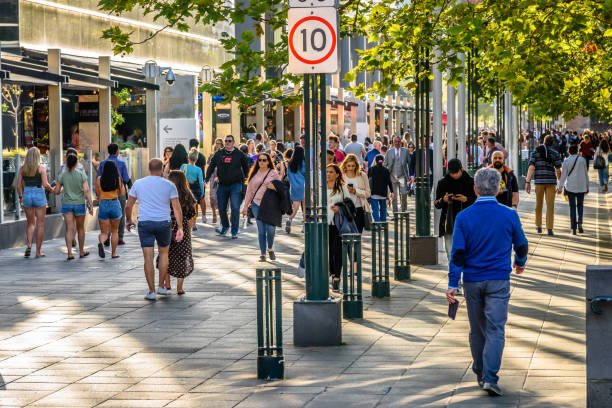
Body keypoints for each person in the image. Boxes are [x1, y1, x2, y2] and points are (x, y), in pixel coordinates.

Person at [446, 168, 528, 397]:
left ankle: (480, 371)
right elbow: (521, 245)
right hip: (498, 279)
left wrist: (453, 283)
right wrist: (519, 262)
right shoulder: (509, 215)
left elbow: (458, 254)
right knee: (496, 329)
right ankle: (490, 377)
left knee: (477, 329)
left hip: (472, 280)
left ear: (474, 189)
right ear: (499, 188)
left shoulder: (464, 217)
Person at [126, 159, 183, 300]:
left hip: (145, 223)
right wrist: (180, 226)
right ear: (162, 168)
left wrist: (129, 220)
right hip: (164, 223)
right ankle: (161, 286)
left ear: (148, 168)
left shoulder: (138, 183)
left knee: (148, 258)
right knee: (164, 254)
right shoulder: (169, 185)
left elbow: (129, 205)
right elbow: (176, 207)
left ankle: (151, 291)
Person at [205, 135, 251, 239]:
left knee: (235, 207)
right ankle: (225, 226)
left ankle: (234, 230)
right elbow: (211, 166)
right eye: (226, 141)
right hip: (222, 185)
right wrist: (206, 179)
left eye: (229, 141)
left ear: (233, 142)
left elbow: (246, 168)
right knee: (221, 208)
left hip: (236, 185)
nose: (227, 143)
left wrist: (248, 180)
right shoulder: (219, 154)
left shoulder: (239, 154)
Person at [434, 159, 476, 261]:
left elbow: (478, 202)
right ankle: (454, 274)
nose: (453, 175)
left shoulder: (471, 182)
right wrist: (443, 200)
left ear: (461, 169)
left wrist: (466, 199)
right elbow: (436, 204)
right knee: (451, 253)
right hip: (449, 222)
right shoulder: (442, 183)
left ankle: (465, 273)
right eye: (451, 173)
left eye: (456, 172)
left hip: (468, 222)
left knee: (468, 252)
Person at [243, 152, 281, 261]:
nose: (262, 162)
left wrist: (274, 187)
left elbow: (281, 188)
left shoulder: (273, 173)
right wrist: (245, 206)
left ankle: (270, 248)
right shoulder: (254, 173)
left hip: (271, 205)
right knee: (261, 230)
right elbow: (249, 191)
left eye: (264, 160)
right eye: (260, 160)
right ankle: (263, 254)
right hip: (256, 204)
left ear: (269, 161)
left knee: (270, 229)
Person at [54, 153, 94, 260]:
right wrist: (91, 204)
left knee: (69, 229)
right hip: (79, 204)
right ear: (77, 163)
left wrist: (63, 188)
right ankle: (81, 251)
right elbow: (86, 190)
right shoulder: (81, 175)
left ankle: (69, 254)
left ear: (66, 163)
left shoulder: (62, 175)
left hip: (67, 204)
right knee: (80, 228)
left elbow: (57, 191)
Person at [164, 170, 197, 294]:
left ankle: (167, 284)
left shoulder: (165, 194)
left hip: (167, 226)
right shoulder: (187, 194)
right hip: (182, 228)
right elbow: (191, 215)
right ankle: (179, 287)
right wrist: (188, 229)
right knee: (183, 255)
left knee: (166, 255)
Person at [17, 147, 53, 258]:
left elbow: (18, 186)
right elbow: (45, 184)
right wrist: (52, 189)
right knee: (40, 224)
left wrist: (21, 197)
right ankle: (38, 252)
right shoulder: (41, 168)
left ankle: (29, 245)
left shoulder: (23, 169)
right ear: (37, 157)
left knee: (30, 223)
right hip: (39, 194)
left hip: (27, 193)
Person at [525, 135, 562, 235]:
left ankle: (539, 226)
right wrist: (560, 184)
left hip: (539, 181)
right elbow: (558, 170)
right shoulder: (555, 153)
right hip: (551, 182)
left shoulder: (536, 152)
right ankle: (549, 228)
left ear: (544, 141)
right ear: (552, 143)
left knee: (538, 204)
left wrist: (527, 182)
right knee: (550, 205)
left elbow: (531, 167)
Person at [327, 164, 354, 292]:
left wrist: (339, 208)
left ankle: (337, 277)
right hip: (324, 223)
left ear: (337, 174)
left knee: (336, 250)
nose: (328, 174)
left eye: (331, 172)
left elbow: (348, 204)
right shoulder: (321, 187)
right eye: (327, 172)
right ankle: (332, 273)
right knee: (328, 252)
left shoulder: (342, 187)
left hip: (338, 224)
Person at [98, 143, 131, 246]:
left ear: (108, 152)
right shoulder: (121, 163)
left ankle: (106, 238)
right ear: (117, 151)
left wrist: (98, 195)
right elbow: (125, 178)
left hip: (104, 195)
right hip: (118, 194)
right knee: (120, 216)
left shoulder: (103, 163)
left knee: (105, 218)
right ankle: (120, 238)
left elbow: (98, 179)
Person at [557, 145, 589, 235]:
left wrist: (559, 188)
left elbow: (563, 176)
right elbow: (586, 174)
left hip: (570, 187)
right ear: (577, 151)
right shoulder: (582, 160)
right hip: (581, 187)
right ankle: (580, 224)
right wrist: (587, 186)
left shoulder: (566, 161)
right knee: (580, 205)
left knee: (572, 207)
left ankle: (573, 227)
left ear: (569, 151)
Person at [96, 160, 125, 259]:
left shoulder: (99, 179)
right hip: (114, 204)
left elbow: (98, 194)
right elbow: (123, 193)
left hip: (103, 204)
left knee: (104, 232)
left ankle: (101, 243)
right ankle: (113, 253)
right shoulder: (118, 179)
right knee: (115, 231)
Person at [340, 154, 371, 232]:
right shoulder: (341, 176)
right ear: (345, 165)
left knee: (357, 235)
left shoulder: (362, 175)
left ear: (356, 166)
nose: (350, 168)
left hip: (358, 209)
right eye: (349, 166)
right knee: (345, 236)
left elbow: (368, 193)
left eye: (353, 166)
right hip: (344, 210)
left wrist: (355, 191)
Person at [384, 136, 411, 214]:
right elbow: (385, 164)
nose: (397, 143)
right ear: (393, 142)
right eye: (395, 141)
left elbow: (409, 164)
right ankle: (395, 212)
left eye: (398, 141)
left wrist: (410, 175)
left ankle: (404, 211)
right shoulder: (389, 152)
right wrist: (386, 176)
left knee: (404, 194)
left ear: (401, 142)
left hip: (402, 176)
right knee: (394, 196)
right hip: (392, 176)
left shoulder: (405, 151)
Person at [180, 148, 204, 230]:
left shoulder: (183, 166)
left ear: (188, 158)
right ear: (196, 159)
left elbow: (180, 177)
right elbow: (201, 182)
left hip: (185, 189)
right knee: (194, 207)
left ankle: (186, 223)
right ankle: (194, 224)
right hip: (195, 190)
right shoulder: (198, 169)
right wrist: (202, 192)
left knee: (185, 206)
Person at [368, 154, 394, 222]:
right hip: (383, 193)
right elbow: (389, 182)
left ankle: (377, 224)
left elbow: (368, 181)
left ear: (375, 161)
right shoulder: (386, 170)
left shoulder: (371, 169)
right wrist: (392, 191)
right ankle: (383, 224)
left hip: (374, 193)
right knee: (383, 209)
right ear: (383, 161)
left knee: (375, 210)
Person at [286, 146, 305, 233]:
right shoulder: (303, 163)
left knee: (296, 208)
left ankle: (290, 219)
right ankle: (304, 226)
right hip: (303, 187)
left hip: (294, 187)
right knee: (305, 207)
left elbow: (289, 176)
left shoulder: (290, 164)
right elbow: (306, 174)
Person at [189, 138, 208, 223]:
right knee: (202, 199)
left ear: (189, 145)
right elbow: (204, 167)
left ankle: (194, 220)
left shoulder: (189, 155)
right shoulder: (202, 156)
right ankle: (204, 215)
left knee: (193, 202)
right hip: (200, 180)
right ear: (197, 145)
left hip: (190, 182)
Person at [208, 138, 223, 224]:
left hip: (223, 178)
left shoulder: (225, 155)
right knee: (212, 197)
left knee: (222, 197)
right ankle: (214, 214)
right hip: (213, 177)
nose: (218, 145)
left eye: (220, 143)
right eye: (217, 143)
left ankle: (221, 215)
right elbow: (209, 167)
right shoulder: (211, 155)